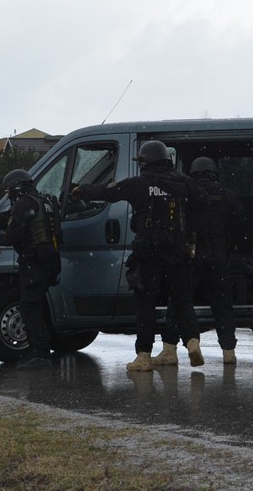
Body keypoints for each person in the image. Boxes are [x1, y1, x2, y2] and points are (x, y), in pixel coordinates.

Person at [71, 140, 207, 371]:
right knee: (182, 301)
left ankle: (144, 356)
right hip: (177, 251)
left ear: (146, 162)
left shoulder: (140, 184)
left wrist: (80, 189)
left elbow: (108, 192)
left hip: (149, 252)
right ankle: (193, 342)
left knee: (146, 304)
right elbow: (202, 199)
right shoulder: (182, 181)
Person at [153, 156, 244, 366]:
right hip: (219, 254)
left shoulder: (186, 194)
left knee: (180, 302)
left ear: (193, 173)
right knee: (222, 304)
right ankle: (228, 351)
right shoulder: (228, 195)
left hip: (191, 253)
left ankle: (170, 349)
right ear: (214, 172)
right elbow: (239, 225)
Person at [0, 169, 63, 371]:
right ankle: (41, 350)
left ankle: (40, 355)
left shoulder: (24, 204)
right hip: (50, 259)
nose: (8, 196)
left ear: (16, 188)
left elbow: (14, 235)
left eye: (9, 191)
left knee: (30, 306)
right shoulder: (47, 201)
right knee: (37, 305)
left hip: (35, 261)